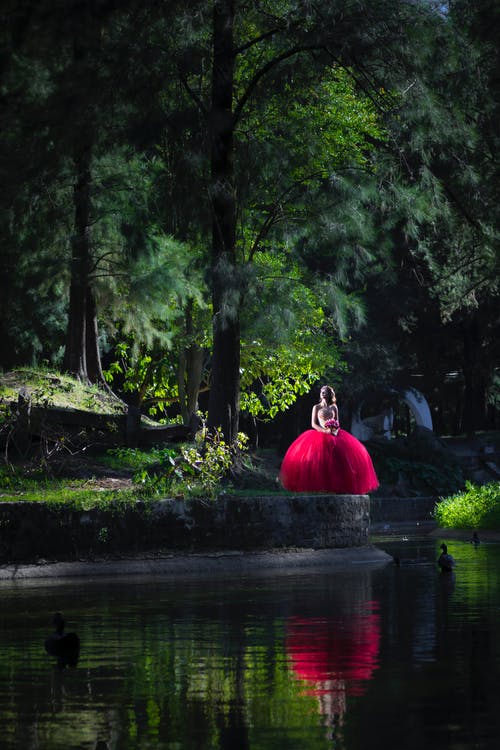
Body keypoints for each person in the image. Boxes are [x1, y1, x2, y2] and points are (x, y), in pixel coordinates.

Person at [279, 385, 379, 494]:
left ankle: (339, 486)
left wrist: (334, 430)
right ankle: (319, 487)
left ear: (329, 394)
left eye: (325, 391)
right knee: (319, 459)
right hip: (320, 434)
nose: (323, 393)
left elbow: (337, 422)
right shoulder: (316, 407)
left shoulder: (334, 407)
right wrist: (324, 431)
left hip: (334, 433)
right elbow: (313, 424)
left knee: (339, 457)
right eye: (322, 391)